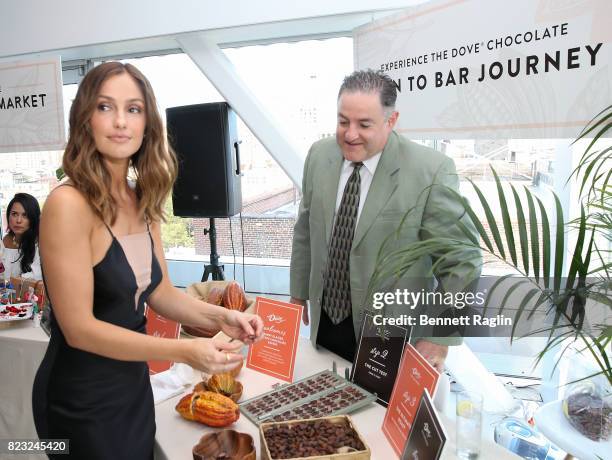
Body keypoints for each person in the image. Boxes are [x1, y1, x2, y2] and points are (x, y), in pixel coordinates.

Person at [32, 62, 264, 460]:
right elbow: (80, 330)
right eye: (105, 107)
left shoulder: (142, 197)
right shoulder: (66, 204)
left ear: (147, 123)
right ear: (85, 118)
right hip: (81, 400)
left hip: (131, 387)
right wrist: (187, 352)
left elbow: (159, 292)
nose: (120, 121)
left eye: (134, 109)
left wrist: (219, 319)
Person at [290, 69, 481, 370]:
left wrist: (441, 336)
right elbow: (305, 230)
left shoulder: (429, 170)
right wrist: (298, 295)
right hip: (325, 327)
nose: (350, 134)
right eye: (343, 121)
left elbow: (463, 261)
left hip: (389, 337)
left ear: (391, 121)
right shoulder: (318, 155)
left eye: (364, 124)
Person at [0, 193, 42, 281]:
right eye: (14, 214)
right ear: (8, 215)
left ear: (33, 218)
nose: (18, 220)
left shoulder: (40, 243)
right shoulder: (5, 240)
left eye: (25, 215)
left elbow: (38, 275)